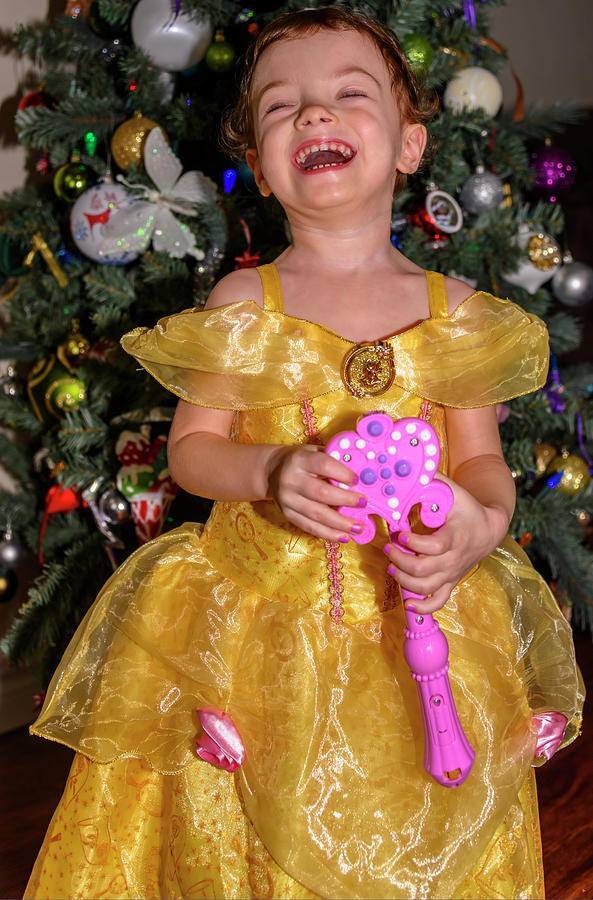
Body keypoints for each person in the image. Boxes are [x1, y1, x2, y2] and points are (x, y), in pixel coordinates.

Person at [25, 8, 583, 900]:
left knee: (422, 839)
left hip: (418, 631)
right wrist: (270, 473)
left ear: (409, 145)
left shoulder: (458, 315)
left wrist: (475, 529)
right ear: (258, 155)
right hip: (262, 635)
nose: (315, 116)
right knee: (256, 839)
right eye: (284, 107)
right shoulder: (247, 299)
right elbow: (192, 453)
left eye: (347, 96)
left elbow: (483, 472)